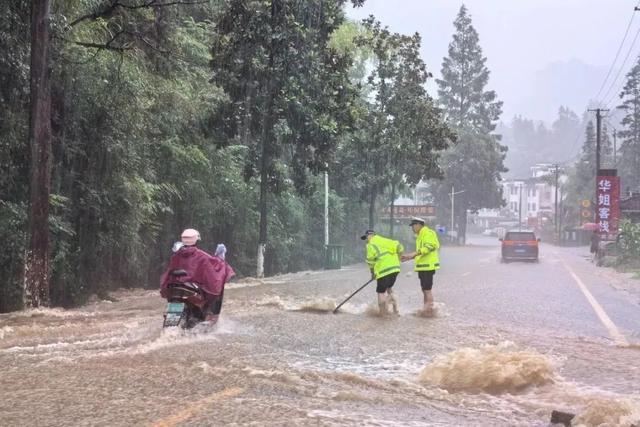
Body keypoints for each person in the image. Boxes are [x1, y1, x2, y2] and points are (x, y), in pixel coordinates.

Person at [160, 229, 235, 323]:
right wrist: (220, 258)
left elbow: (169, 271)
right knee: (215, 290)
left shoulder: (176, 256)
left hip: (174, 287)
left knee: (171, 323)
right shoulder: (201, 255)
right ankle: (209, 317)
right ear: (196, 239)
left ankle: (174, 322)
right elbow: (214, 272)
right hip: (192, 289)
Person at [401, 217, 440, 315]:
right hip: (423, 266)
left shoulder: (428, 233)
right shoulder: (421, 235)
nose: (412, 228)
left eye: (413, 226)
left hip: (428, 266)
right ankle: (426, 309)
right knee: (424, 289)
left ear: (418, 224)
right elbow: (421, 253)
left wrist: (413, 254)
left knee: (427, 289)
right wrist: (409, 257)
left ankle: (430, 311)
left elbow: (429, 247)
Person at [361, 229, 404, 315]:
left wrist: (372, 273)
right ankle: (396, 310)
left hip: (383, 269)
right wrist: (398, 258)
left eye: (366, 238)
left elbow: (370, 261)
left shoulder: (370, 244)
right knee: (389, 288)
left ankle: (383, 313)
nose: (366, 240)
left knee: (381, 291)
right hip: (395, 268)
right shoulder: (385, 240)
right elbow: (400, 247)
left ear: (369, 236)